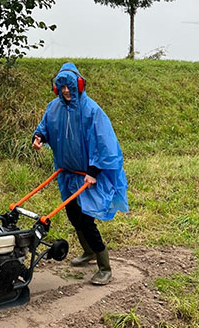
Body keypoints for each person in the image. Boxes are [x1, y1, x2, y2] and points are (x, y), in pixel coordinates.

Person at [32, 62, 129, 285]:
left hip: (88, 176)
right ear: (57, 88)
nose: (66, 91)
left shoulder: (92, 110)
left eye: (70, 86)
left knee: (86, 221)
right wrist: (38, 138)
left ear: (80, 85)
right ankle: (89, 252)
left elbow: (105, 143)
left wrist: (93, 171)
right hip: (67, 174)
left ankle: (105, 267)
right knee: (73, 216)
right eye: (62, 87)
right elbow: (45, 128)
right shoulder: (53, 108)